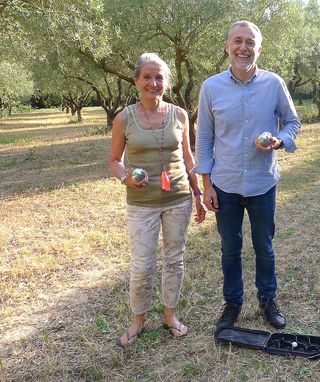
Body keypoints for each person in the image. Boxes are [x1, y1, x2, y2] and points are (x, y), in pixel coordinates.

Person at [195, 20, 300, 331]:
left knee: (264, 246)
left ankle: (268, 300)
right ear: (227, 46)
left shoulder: (274, 84)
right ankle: (233, 302)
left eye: (250, 42)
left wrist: (279, 141)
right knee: (230, 248)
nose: (243, 48)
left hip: (262, 183)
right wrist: (206, 184)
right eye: (237, 41)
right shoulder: (210, 87)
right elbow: (203, 138)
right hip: (224, 184)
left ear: (259, 48)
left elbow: (293, 123)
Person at [109, 53, 206, 348]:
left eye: (160, 77)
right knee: (142, 265)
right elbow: (114, 160)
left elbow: (188, 158)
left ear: (167, 82)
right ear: (136, 81)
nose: (154, 83)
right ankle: (138, 320)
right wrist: (126, 177)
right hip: (141, 203)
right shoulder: (124, 118)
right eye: (148, 77)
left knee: (174, 260)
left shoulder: (179, 115)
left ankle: (169, 315)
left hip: (179, 199)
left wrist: (198, 195)